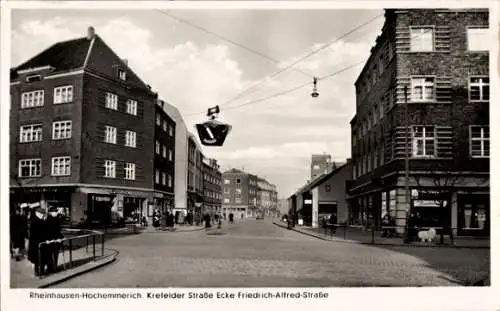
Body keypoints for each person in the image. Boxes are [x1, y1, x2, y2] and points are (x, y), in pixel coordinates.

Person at [28, 206, 49, 276]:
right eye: (41, 214)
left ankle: (40, 271)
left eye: (43, 214)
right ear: (37, 213)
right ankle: (38, 271)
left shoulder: (41, 221)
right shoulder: (34, 222)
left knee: (41, 258)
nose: (42, 215)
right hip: (36, 243)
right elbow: (33, 235)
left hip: (40, 243)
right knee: (38, 258)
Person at [46, 207, 64, 273]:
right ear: (50, 212)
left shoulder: (56, 219)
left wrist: (61, 237)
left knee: (55, 254)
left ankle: (54, 267)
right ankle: (51, 269)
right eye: (55, 212)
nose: (56, 212)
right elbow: (50, 231)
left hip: (57, 240)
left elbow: (58, 231)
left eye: (56, 211)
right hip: (52, 240)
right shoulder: (48, 219)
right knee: (50, 255)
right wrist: (56, 238)